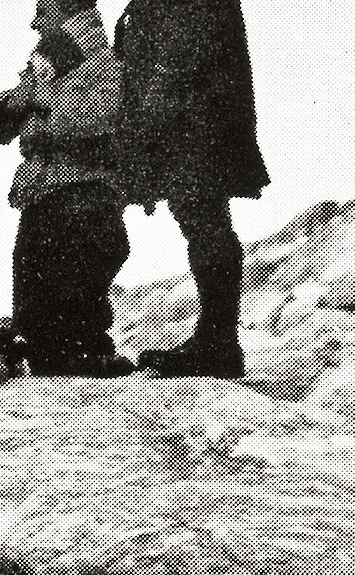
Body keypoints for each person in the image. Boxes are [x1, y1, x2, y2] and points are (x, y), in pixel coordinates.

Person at [0, 0, 135, 377]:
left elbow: (99, 124)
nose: (34, 23)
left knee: (68, 293)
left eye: (42, 12)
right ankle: (64, 357)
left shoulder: (102, 62)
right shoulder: (49, 66)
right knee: (40, 297)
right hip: (50, 190)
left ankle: (82, 359)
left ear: (65, 11)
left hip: (82, 188)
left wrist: (31, 100)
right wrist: (19, 100)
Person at [115, 0, 268, 378]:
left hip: (194, 126)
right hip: (190, 123)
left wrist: (140, 131)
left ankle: (217, 345)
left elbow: (177, 59)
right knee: (203, 222)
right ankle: (215, 341)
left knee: (205, 221)